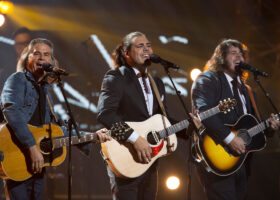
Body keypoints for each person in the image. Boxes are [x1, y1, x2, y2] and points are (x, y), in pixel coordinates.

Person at [1, 38, 111, 200]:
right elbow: (12, 112)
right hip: (17, 157)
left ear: (51, 61)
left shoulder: (45, 90)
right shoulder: (17, 80)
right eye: (36, 53)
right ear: (27, 58)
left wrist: (93, 135)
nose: (41, 58)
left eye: (46, 55)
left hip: (37, 164)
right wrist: (32, 148)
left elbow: (57, 131)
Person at [191, 39, 280, 200]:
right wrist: (230, 138)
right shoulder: (208, 79)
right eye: (234, 53)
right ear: (221, 57)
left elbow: (251, 125)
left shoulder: (247, 90)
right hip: (218, 156)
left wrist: (269, 127)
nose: (239, 57)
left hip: (242, 162)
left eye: (242, 54)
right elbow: (203, 112)